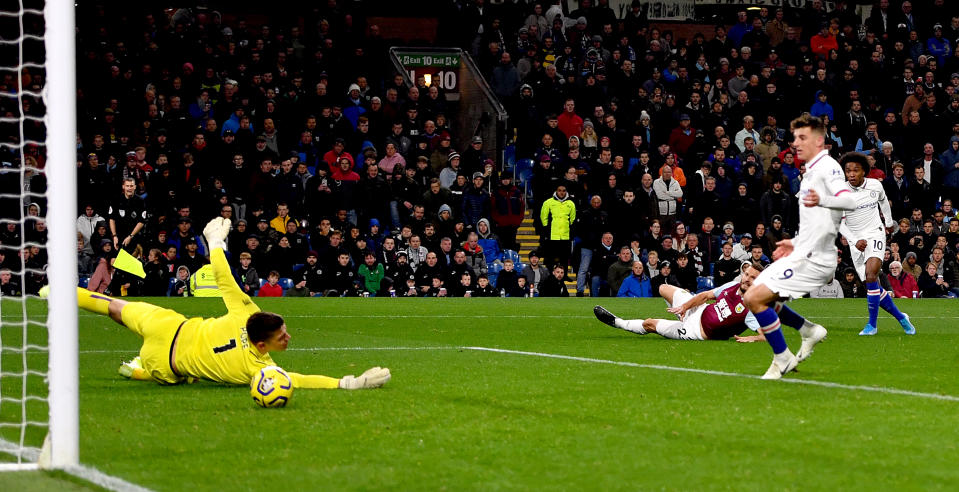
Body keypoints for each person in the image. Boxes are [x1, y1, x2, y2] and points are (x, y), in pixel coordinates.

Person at [75, 218, 390, 390]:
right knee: (187, 376)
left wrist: (214, 243)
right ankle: (140, 371)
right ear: (262, 344)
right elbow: (300, 380)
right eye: (282, 336)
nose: (288, 337)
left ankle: (60, 293)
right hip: (164, 364)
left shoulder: (248, 313)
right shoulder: (258, 369)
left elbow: (225, 278)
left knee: (114, 308)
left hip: (169, 325)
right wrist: (347, 383)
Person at [742, 114, 858, 380]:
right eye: (794, 137)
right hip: (804, 252)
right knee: (758, 297)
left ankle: (782, 358)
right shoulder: (808, 174)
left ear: (819, 141)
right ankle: (808, 331)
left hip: (817, 259)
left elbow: (849, 202)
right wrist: (793, 243)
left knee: (754, 298)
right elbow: (817, 222)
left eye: (802, 137)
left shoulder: (828, 168)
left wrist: (825, 198)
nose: (796, 143)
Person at [838, 152, 916, 335]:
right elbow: (838, 222)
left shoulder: (875, 185)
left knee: (872, 275)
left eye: (855, 170)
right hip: (855, 239)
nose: (851, 174)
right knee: (870, 285)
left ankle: (872, 325)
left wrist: (888, 223)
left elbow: (883, 201)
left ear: (864, 171)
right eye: (848, 170)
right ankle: (901, 317)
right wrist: (854, 240)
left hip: (875, 233)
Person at [595, 263, 764, 341]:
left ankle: (617, 322)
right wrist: (684, 307)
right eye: (746, 274)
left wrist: (754, 339)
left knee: (649, 324)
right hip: (698, 311)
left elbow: (766, 334)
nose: (747, 279)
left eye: (753, 278)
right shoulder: (733, 285)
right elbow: (705, 295)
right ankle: (680, 313)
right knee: (663, 288)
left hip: (695, 331)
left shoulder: (752, 306)